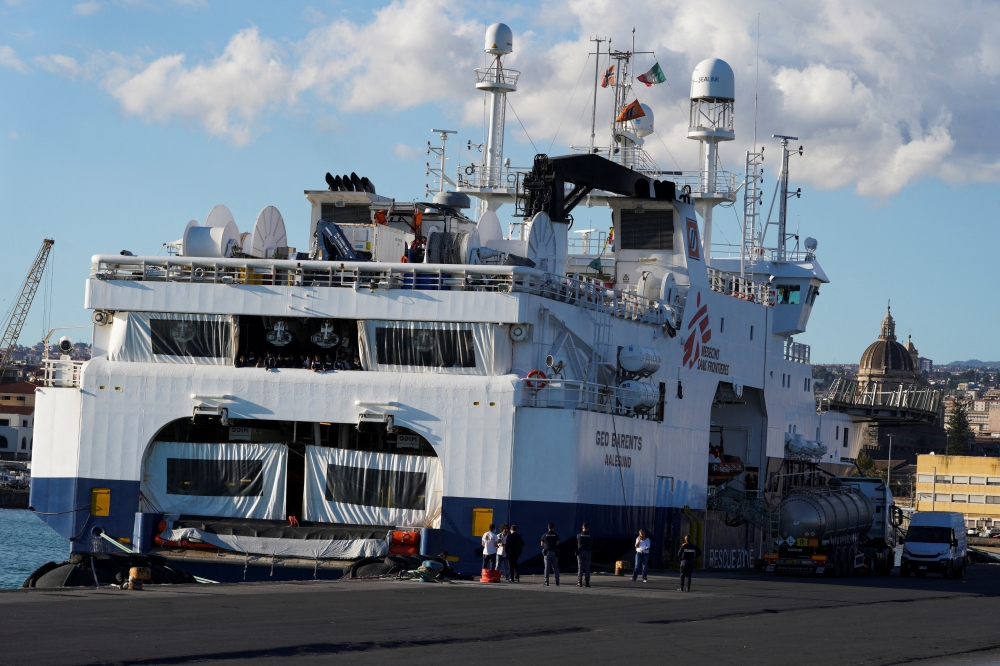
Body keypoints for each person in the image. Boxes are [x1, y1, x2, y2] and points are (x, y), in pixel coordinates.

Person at [576, 522, 593, 587]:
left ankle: (579, 582)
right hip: (588, 552)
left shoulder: (578, 535)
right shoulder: (590, 535)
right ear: (587, 528)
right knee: (587, 567)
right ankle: (587, 582)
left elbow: (578, 542)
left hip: (580, 552)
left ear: (582, 528)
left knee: (580, 567)